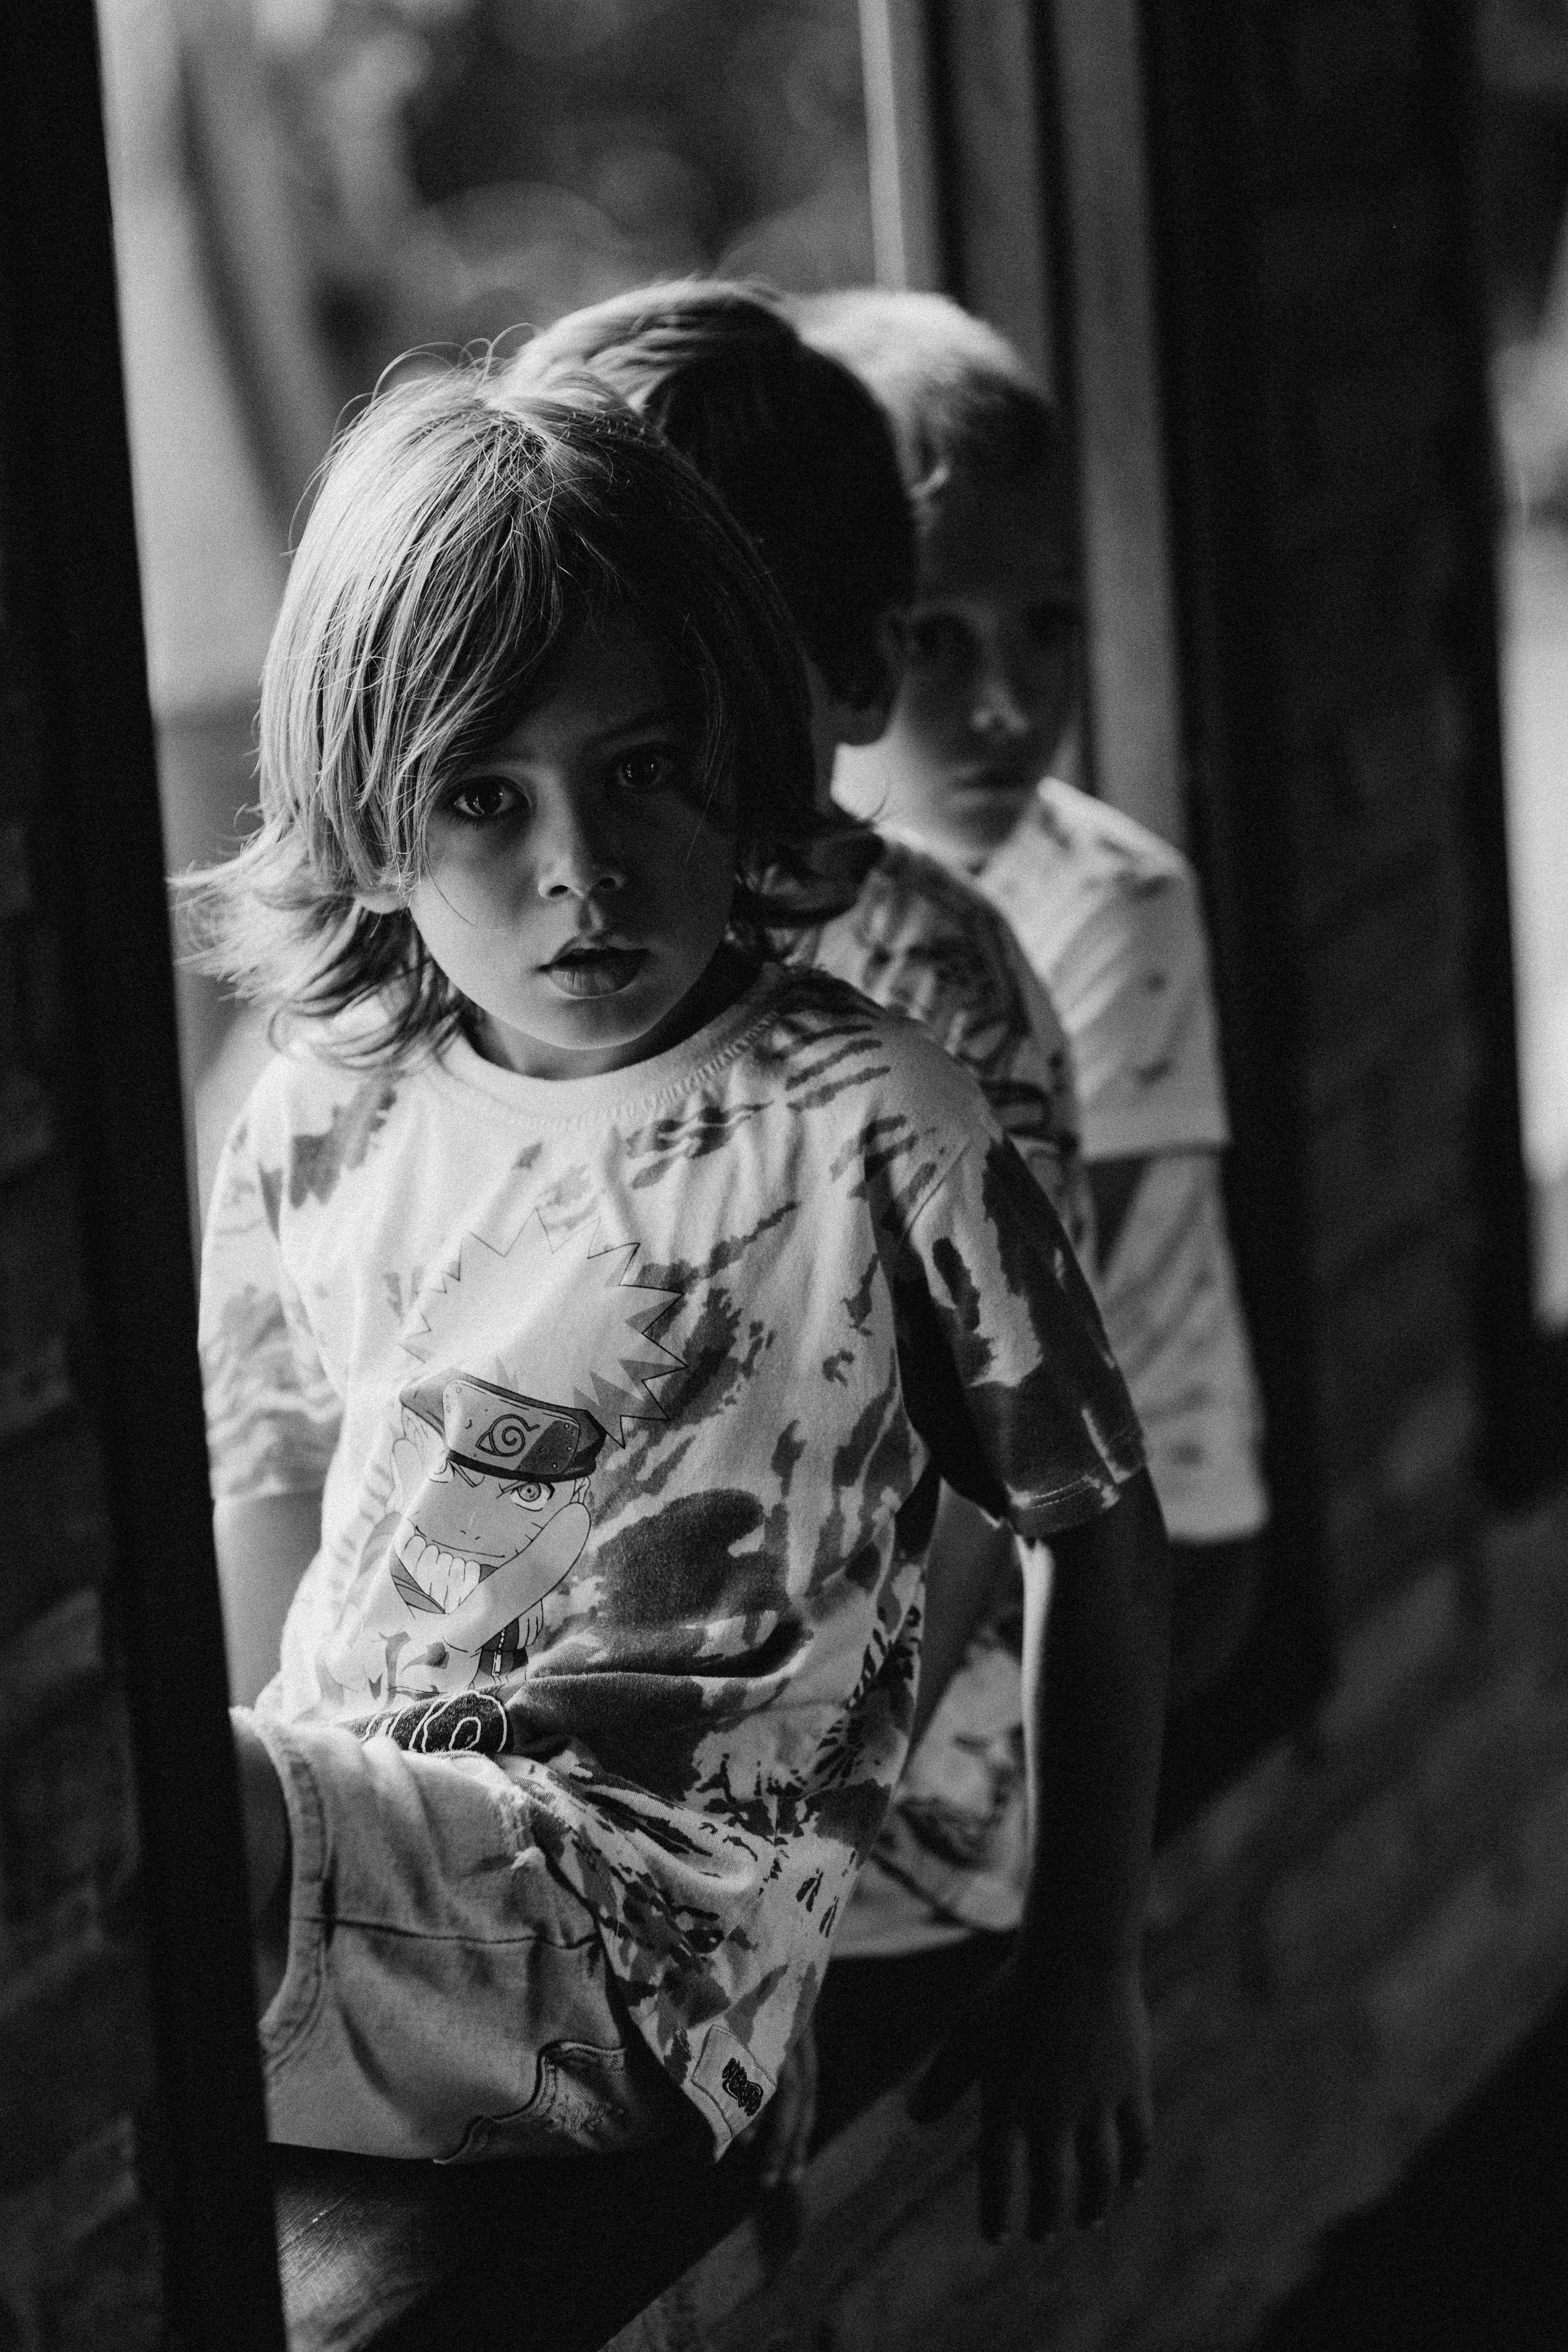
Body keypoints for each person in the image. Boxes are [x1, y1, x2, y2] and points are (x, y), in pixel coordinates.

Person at [190, 368, 1170, 2243]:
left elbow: (1089, 1534)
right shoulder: (321, 1108)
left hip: (645, 1936)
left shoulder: (882, 1122)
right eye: (487, 795)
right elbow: (278, 1482)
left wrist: (1082, 1967)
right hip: (346, 1863)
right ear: (373, 828)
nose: (583, 865)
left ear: (743, 745)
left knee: (134, 1798)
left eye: (642, 769)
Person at [796, 288, 1268, 1999]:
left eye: (1051, 628)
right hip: (967, 1503)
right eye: (939, 641)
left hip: (1151, 1542)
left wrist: (828, 1784)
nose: (1010, 703)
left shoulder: (1113, 910)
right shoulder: (809, 901)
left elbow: (1022, 1395)